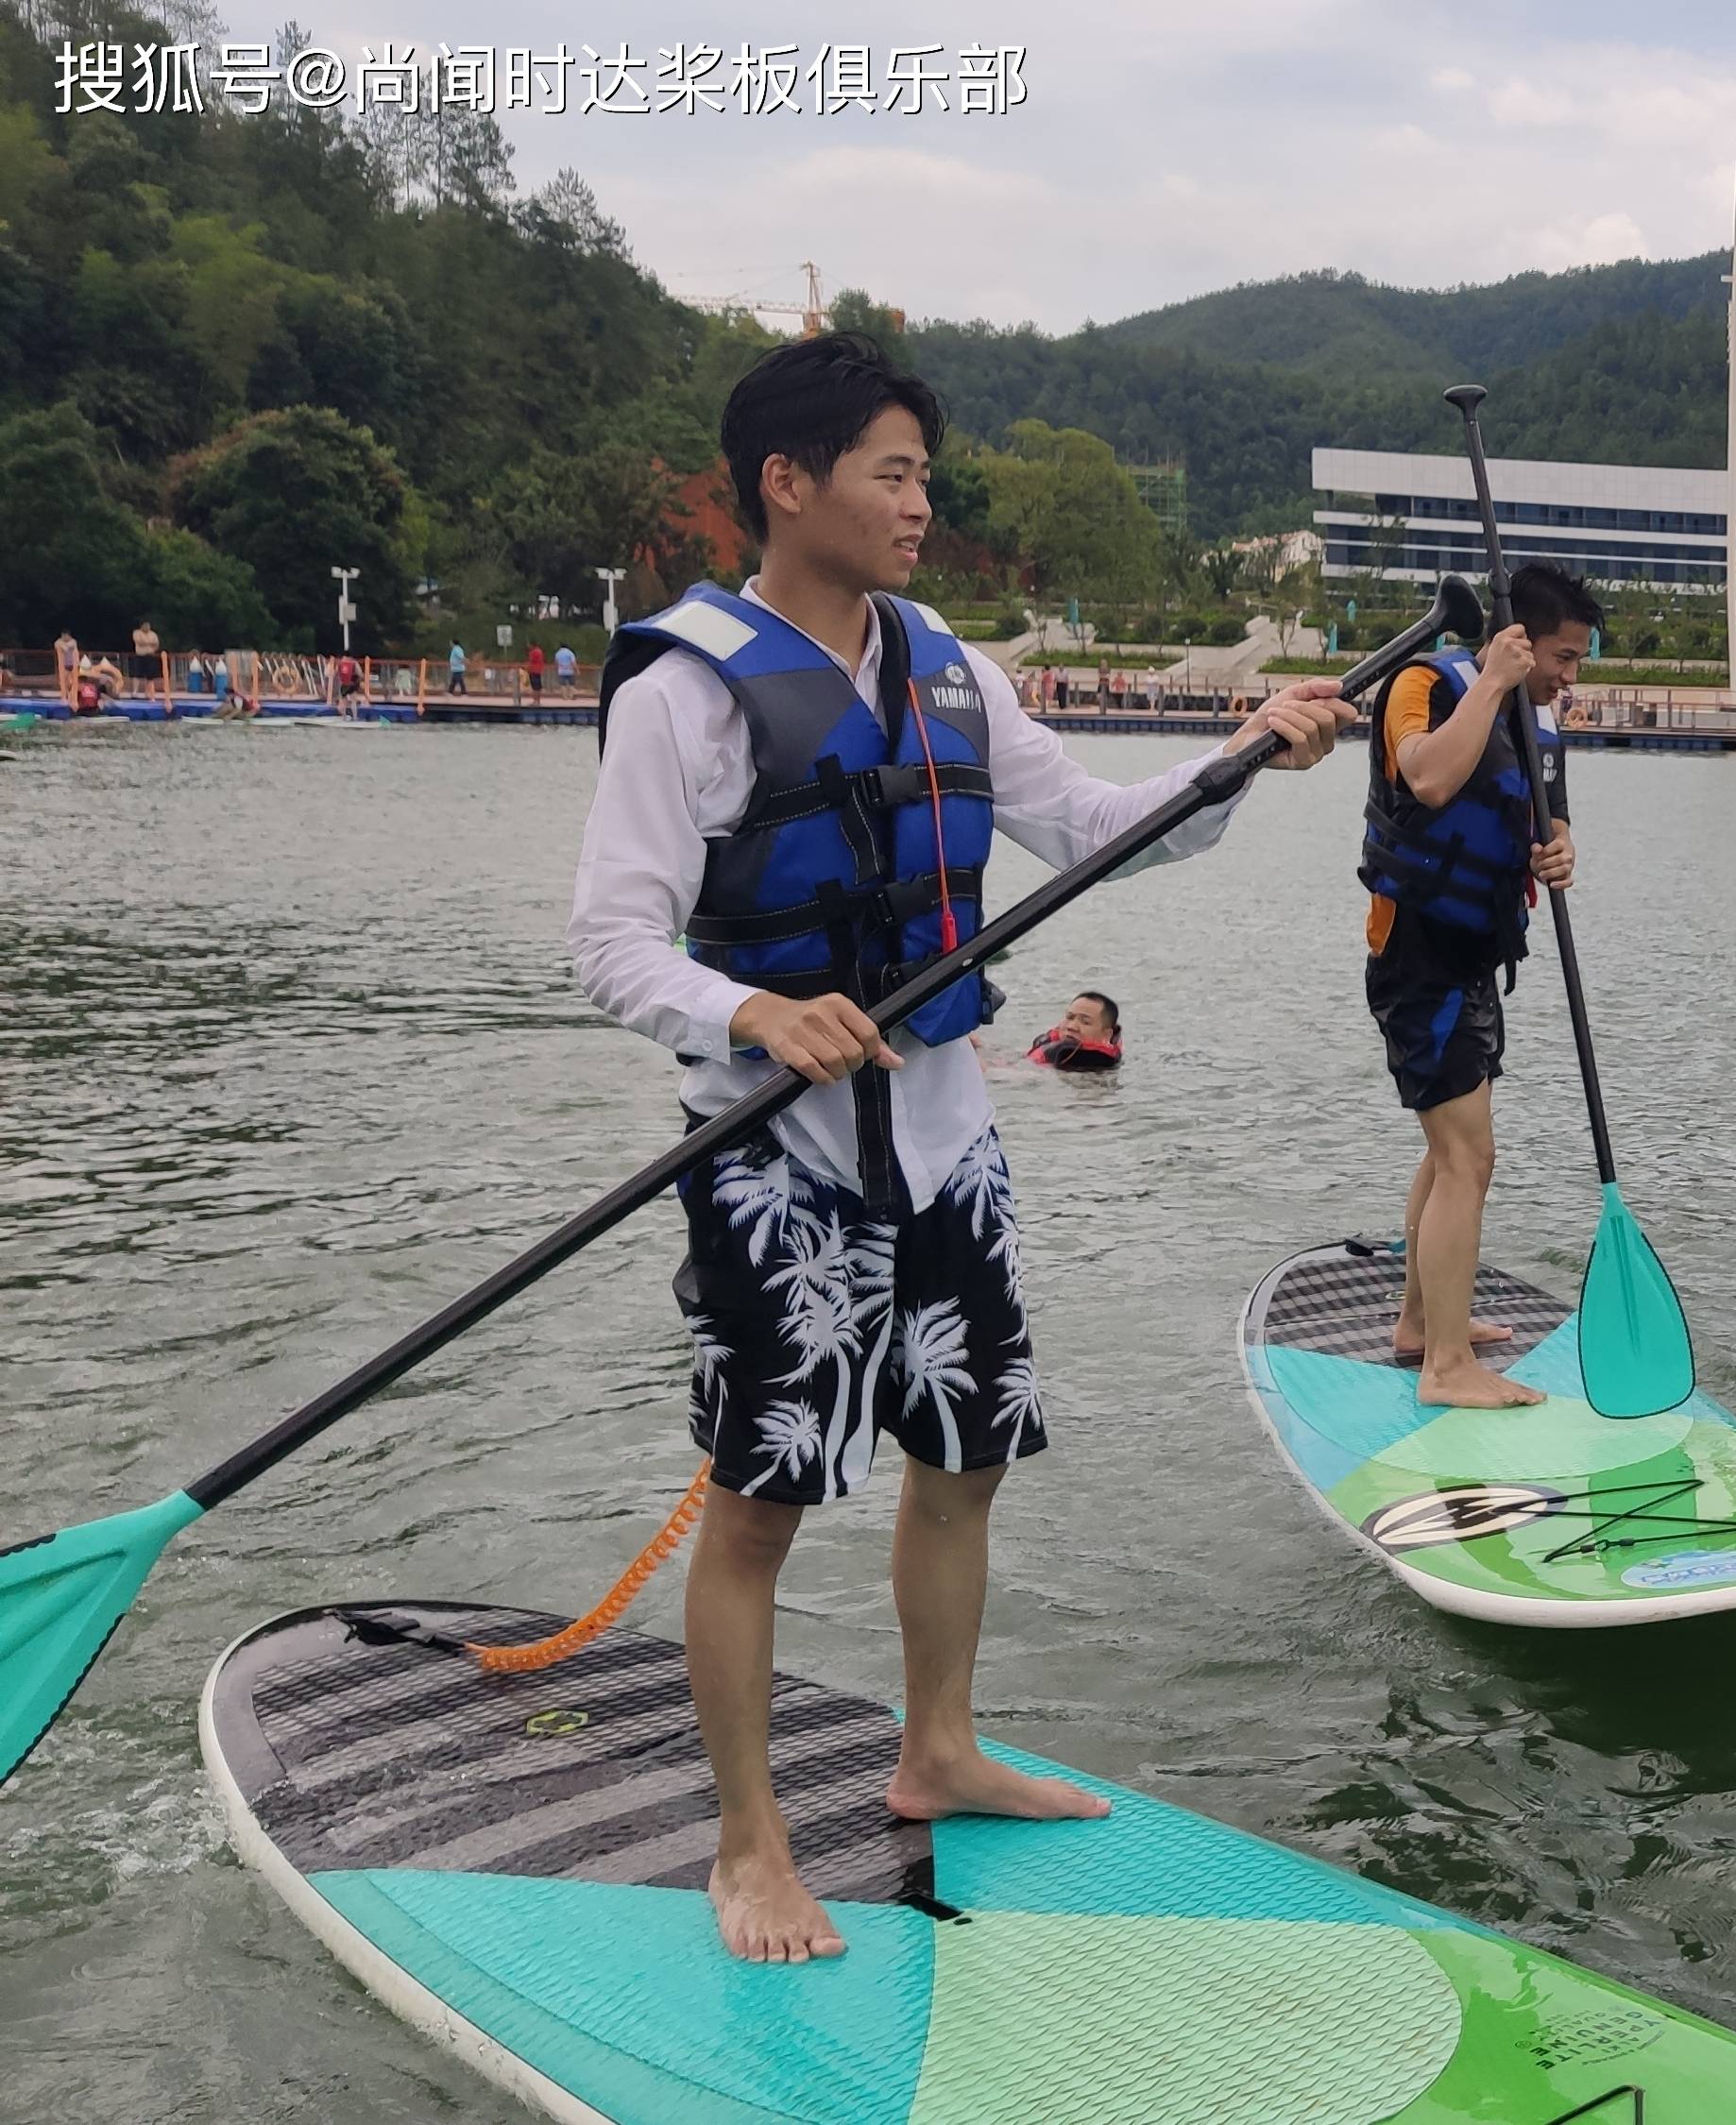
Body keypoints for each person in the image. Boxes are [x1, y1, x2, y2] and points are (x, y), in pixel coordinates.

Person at [569, 331, 1347, 1965]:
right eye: (892, 472)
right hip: (774, 1162)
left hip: (944, 1139)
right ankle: (749, 1846)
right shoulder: (687, 693)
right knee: (763, 1505)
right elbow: (612, 942)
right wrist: (755, 1016)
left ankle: (937, 1749)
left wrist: (1244, 759)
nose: (923, 503)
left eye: (926, 471)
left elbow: (1100, 829)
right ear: (788, 486)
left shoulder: (947, 671)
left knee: (965, 1458)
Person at [1359, 559, 1588, 1406]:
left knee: (1451, 1153)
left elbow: (1549, 817)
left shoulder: (1541, 724)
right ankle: (1446, 1369)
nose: (1568, 678)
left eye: (1577, 663)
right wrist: (1490, 683)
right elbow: (1426, 777)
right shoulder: (1421, 685)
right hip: (1415, 955)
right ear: (1518, 642)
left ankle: (1421, 1325)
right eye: (1561, 658)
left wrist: (1559, 848)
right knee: (1468, 1157)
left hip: (1478, 958)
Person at [1024, 991, 1123, 1071]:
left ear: (1106, 1035)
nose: (1071, 1027)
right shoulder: (1054, 1044)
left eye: (1085, 1022)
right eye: (1070, 1017)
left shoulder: (1094, 1068)